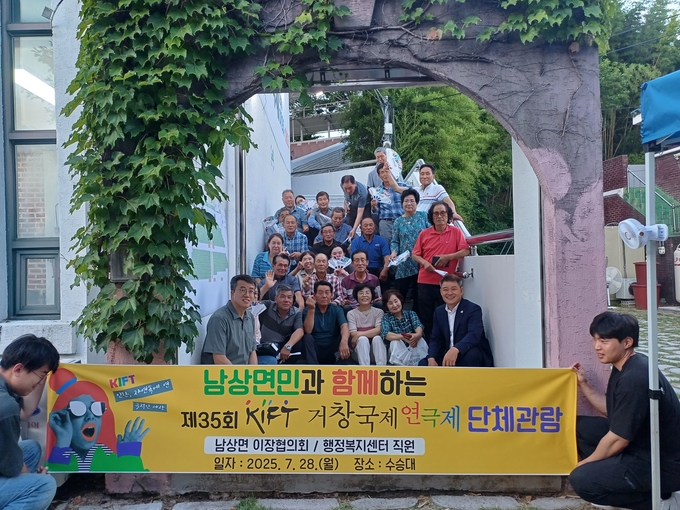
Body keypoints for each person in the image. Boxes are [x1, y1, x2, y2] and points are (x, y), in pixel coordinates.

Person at [569, 312, 680, 510]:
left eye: (604, 341)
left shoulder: (635, 377)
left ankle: (661, 501)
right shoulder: (625, 365)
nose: (596, 346)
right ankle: (623, 479)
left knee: (582, 480)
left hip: (662, 463)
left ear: (627, 342)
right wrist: (584, 384)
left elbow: (618, 439)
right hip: (640, 444)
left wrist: (586, 463)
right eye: (595, 339)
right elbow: (614, 412)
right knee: (577, 427)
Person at [47, 368, 150, 472]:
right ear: (64, 416)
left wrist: (129, 452)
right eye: (78, 408)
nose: (90, 416)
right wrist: (63, 440)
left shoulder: (107, 455)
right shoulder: (58, 449)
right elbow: (55, 472)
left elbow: (133, 474)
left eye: (96, 408)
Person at [0, 334, 59, 510]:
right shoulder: (5, 406)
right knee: (44, 486)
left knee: (31, 449)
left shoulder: (4, 386)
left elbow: (24, 412)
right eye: (41, 375)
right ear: (18, 369)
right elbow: (12, 467)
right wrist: (35, 479)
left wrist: (41, 375)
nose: (41, 382)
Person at [412, 201, 470, 341]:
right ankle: (429, 346)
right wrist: (425, 263)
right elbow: (415, 254)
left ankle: (446, 345)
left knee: (447, 316)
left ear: (448, 215)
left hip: (446, 283)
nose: (439, 216)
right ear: (431, 217)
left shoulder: (456, 232)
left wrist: (448, 257)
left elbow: (465, 250)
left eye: (443, 213)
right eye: (436, 213)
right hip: (425, 281)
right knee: (426, 317)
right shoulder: (424, 234)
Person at [421, 274, 494, 367]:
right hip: (448, 352)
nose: (450, 293)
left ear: (461, 290)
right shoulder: (439, 311)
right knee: (424, 364)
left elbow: (474, 335)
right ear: (441, 292)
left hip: (467, 352)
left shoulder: (473, 309)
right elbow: (436, 338)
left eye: (454, 289)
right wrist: (431, 357)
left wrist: (456, 349)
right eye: (445, 289)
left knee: (471, 356)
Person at [200, 275, 258, 365]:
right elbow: (219, 359)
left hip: (244, 372)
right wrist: (240, 374)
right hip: (223, 372)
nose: (247, 295)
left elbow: (252, 351)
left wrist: (253, 372)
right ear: (232, 292)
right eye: (242, 290)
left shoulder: (250, 317)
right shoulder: (219, 319)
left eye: (251, 291)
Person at [255, 284, 318, 365]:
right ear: (276, 299)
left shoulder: (296, 312)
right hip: (264, 346)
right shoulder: (268, 305)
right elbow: (253, 305)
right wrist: (266, 286)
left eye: (289, 297)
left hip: (281, 347)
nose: (286, 300)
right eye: (282, 297)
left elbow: (300, 330)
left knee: (298, 344)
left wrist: (288, 346)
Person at [390, 188, 428, 316]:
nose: (409, 203)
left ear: (417, 202)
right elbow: (395, 241)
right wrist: (394, 252)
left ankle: (417, 321)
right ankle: (398, 319)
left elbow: (432, 234)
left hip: (421, 262)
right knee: (400, 294)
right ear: (402, 203)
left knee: (419, 296)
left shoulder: (423, 216)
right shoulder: (398, 221)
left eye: (412, 201)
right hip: (404, 263)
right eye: (406, 201)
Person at [303, 281, 351, 365]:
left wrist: (344, 341)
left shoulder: (337, 309)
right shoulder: (308, 310)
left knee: (346, 337)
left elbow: (344, 326)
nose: (324, 296)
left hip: (333, 347)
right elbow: (308, 330)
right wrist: (311, 309)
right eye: (320, 293)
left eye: (327, 292)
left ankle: (339, 368)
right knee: (307, 337)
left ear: (331, 295)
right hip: (316, 347)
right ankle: (313, 367)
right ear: (314, 295)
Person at [381, 290, 427, 366]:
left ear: (400, 300)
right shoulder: (386, 318)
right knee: (395, 342)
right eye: (390, 303)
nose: (394, 305)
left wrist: (417, 335)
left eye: (396, 301)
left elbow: (418, 326)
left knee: (420, 339)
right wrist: (403, 337)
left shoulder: (410, 313)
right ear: (386, 306)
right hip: (396, 351)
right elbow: (386, 334)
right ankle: (399, 366)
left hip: (412, 345)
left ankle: (422, 364)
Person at [347, 284, 386, 366]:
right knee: (363, 339)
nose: (364, 295)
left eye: (367, 293)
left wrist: (358, 334)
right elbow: (353, 333)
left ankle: (381, 367)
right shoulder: (351, 314)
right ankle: (365, 368)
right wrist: (368, 333)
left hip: (376, 351)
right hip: (358, 352)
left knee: (378, 338)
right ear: (356, 296)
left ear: (372, 295)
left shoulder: (379, 312)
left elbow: (378, 330)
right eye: (361, 293)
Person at [350, 217, 391, 294]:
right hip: (363, 268)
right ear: (361, 228)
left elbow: (386, 257)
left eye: (371, 225)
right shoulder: (356, 242)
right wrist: (363, 269)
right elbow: (354, 258)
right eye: (365, 226)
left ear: (374, 227)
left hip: (379, 269)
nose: (368, 227)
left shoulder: (381, 240)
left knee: (386, 275)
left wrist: (385, 270)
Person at [371, 163, 408, 244]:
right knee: (387, 245)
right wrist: (374, 207)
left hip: (402, 220)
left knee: (405, 243)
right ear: (379, 175)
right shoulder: (377, 191)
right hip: (386, 222)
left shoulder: (402, 186)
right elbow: (377, 212)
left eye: (386, 171)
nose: (385, 174)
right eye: (382, 172)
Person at [341, 175, 372, 240]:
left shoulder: (362, 192)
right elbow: (345, 195)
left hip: (365, 206)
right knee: (348, 223)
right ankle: (347, 242)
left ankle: (364, 241)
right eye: (345, 188)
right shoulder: (342, 185)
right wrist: (345, 203)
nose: (348, 191)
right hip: (352, 204)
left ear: (354, 183)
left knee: (365, 224)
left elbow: (360, 213)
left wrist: (354, 229)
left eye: (350, 188)